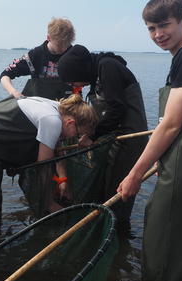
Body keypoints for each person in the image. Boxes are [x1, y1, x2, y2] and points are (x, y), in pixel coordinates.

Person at [116, 0, 182, 281]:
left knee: (164, 247)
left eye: (164, 25)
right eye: (151, 28)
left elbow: (172, 125)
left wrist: (135, 174)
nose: (158, 34)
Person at [0, 94, 98, 233]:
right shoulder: (52, 120)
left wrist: (62, 179)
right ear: (70, 123)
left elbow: (57, 149)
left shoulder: (56, 108)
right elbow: (43, 167)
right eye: (79, 134)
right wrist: (49, 203)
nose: (77, 139)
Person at [57, 44, 149, 237]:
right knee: (105, 189)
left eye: (75, 81)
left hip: (128, 138)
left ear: (79, 69)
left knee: (118, 194)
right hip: (111, 139)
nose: (77, 86)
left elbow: (117, 108)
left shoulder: (108, 67)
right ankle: (109, 235)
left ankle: (118, 236)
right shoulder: (96, 74)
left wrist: (92, 135)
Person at [0, 18, 75, 100]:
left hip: (69, 106)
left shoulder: (74, 54)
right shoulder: (35, 55)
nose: (64, 48)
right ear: (49, 38)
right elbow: (5, 75)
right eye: (60, 44)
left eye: (67, 44)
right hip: (40, 106)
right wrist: (13, 92)